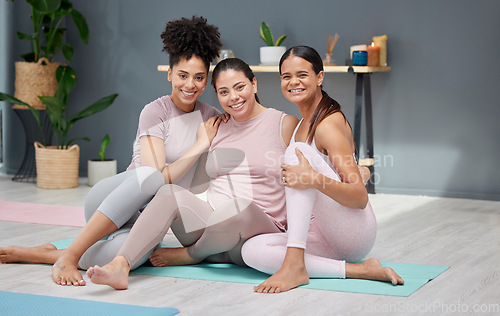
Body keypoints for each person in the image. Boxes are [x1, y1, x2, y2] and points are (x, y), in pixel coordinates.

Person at [0, 16, 224, 287]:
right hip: (112, 201)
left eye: (199, 78)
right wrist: (199, 145)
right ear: (169, 74)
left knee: (139, 257)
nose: (190, 85)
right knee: (152, 177)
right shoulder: (156, 112)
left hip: (145, 217)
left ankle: (42, 254)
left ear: (207, 79)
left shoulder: (211, 117)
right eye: (182, 75)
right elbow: (156, 177)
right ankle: (68, 256)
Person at [84, 57, 300, 290]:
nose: (234, 97)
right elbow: (192, 181)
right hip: (211, 233)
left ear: (254, 84)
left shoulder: (284, 124)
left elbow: (307, 178)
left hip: (254, 232)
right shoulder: (216, 126)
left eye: (240, 87)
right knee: (168, 193)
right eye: (224, 92)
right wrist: (200, 142)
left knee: (237, 208)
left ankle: (191, 254)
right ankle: (120, 266)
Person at [241, 45, 404, 293]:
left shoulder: (327, 124)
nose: (293, 82)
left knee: (300, 156)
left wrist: (314, 179)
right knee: (251, 250)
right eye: (286, 77)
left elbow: (360, 197)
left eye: (302, 75)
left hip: (353, 232)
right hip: (323, 234)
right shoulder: (300, 125)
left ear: (319, 77)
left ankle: (295, 265)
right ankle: (359, 270)